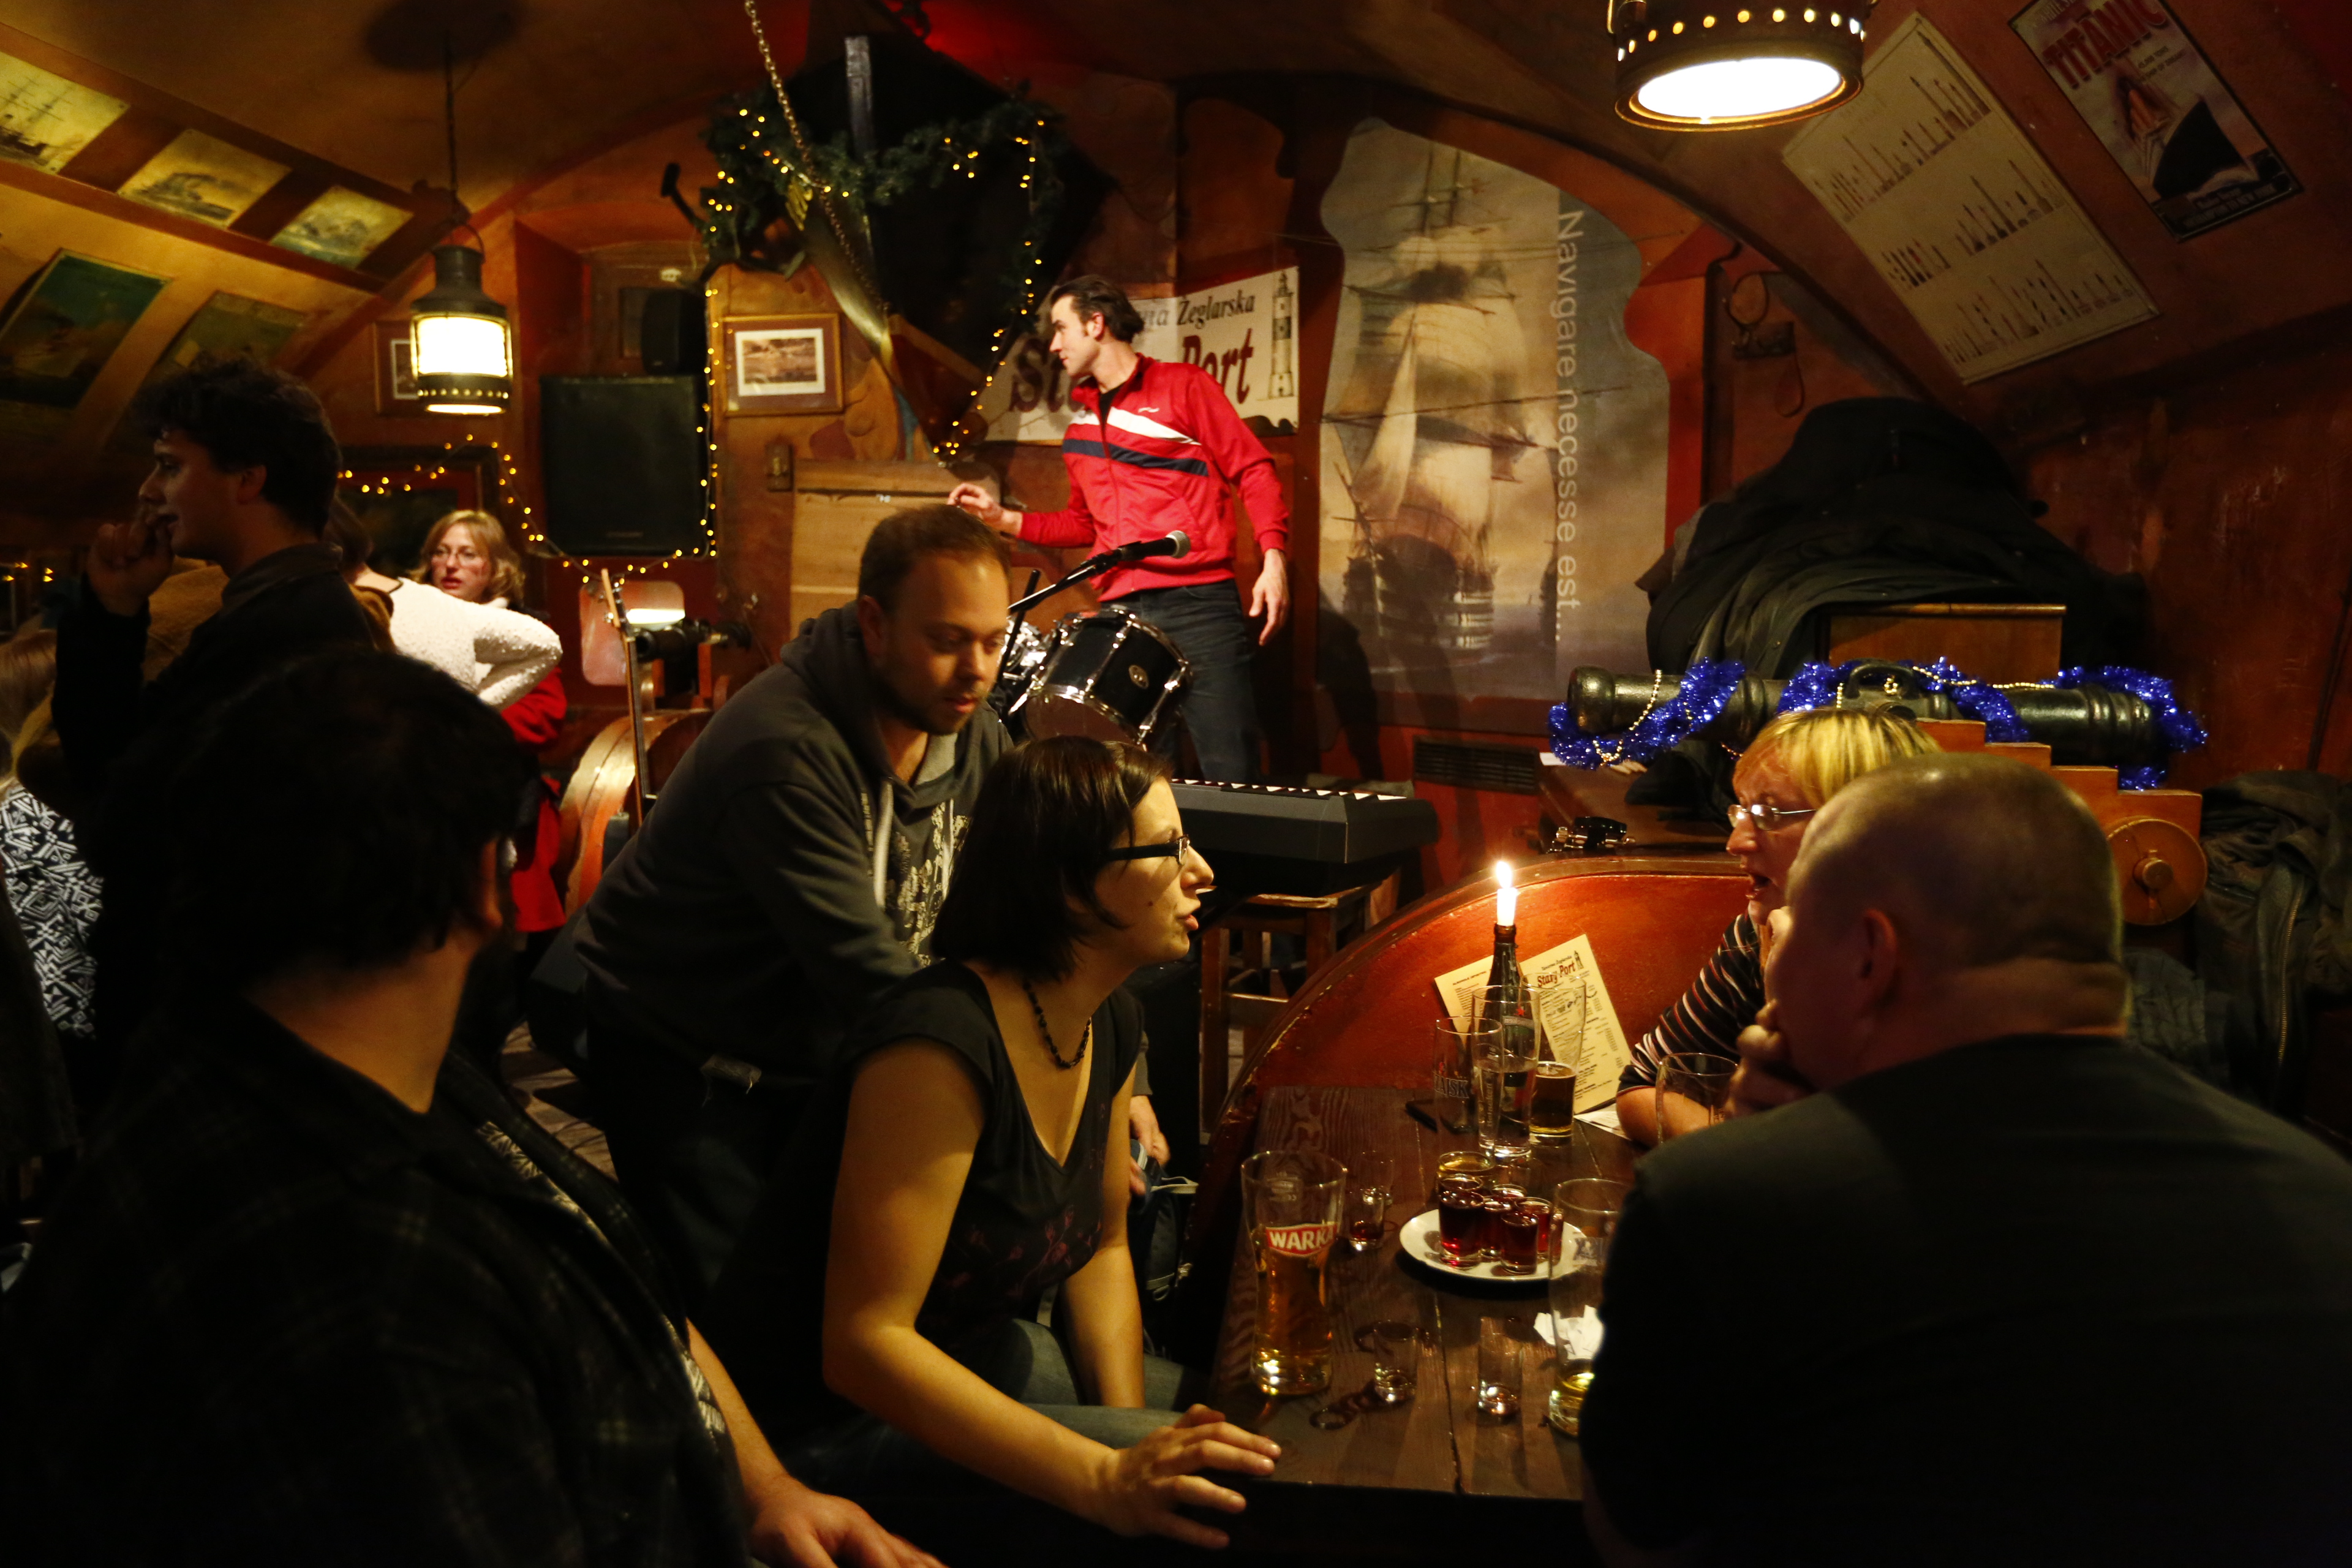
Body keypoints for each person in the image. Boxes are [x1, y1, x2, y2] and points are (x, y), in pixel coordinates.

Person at [0, 650, 938, 1568]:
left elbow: (622, 1278)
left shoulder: (350, 1065)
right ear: (482, 884)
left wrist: (765, 1490)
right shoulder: (377, 1305)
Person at [1578, 754, 2352, 1567]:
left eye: (1792, 929)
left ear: (1869, 956)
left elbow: (1638, 1534)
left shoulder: (1725, 1201)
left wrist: (1749, 1158)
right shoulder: (2328, 1201)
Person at [706, 736, 1278, 1555]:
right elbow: (863, 1345)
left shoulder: (1110, 1017)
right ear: (1071, 887)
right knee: (1242, 1495)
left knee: (1251, 1427)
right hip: (819, 1433)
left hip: (971, 1357)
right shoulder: (938, 1044)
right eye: (1167, 849)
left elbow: (1103, 1249)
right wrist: (1104, 1476)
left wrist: (1127, 1436)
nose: (1202, 871)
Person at [573, 504, 1016, 1314]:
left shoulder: (970, 730)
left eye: (994, 642)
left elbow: (1028, 898)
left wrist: (1115, 1074)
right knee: (739, 1320)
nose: (977, 671)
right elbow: (867, 973)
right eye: (949, 640)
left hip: (808, 1047)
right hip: (686, 1056)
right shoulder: (784, 748)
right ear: (874, 624)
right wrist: (1023, 1096)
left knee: (834, 1294)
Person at [50, 360, 378, 1074]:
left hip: (217, 1032)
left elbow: (121, 821)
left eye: (170, 466)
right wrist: (114, 611)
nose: (149, 490)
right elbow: (113, 764)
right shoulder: (268, 612)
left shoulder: (285, 631)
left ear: (248, 479)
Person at [946, 275, 1289, 783]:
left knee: (1230, 767)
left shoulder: (1184, 386)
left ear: (1096, 323)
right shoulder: (1080, 432)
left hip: (1198, 604)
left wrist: (1273, 558)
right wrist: (1002, 518)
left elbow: (1253, 469)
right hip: (1121, 615)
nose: (1055, 345)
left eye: (1061, 328)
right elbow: (1082, 525)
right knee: (1140, 776)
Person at [1613, 706, 1934, 1146]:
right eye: (1742, 811)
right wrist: (1733, 1153)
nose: (1736, 842)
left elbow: (1861, 1156)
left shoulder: (1937, 979)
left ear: (1865, 830)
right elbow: (1645, 1086)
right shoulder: (1755, 935)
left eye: (1770, 813)